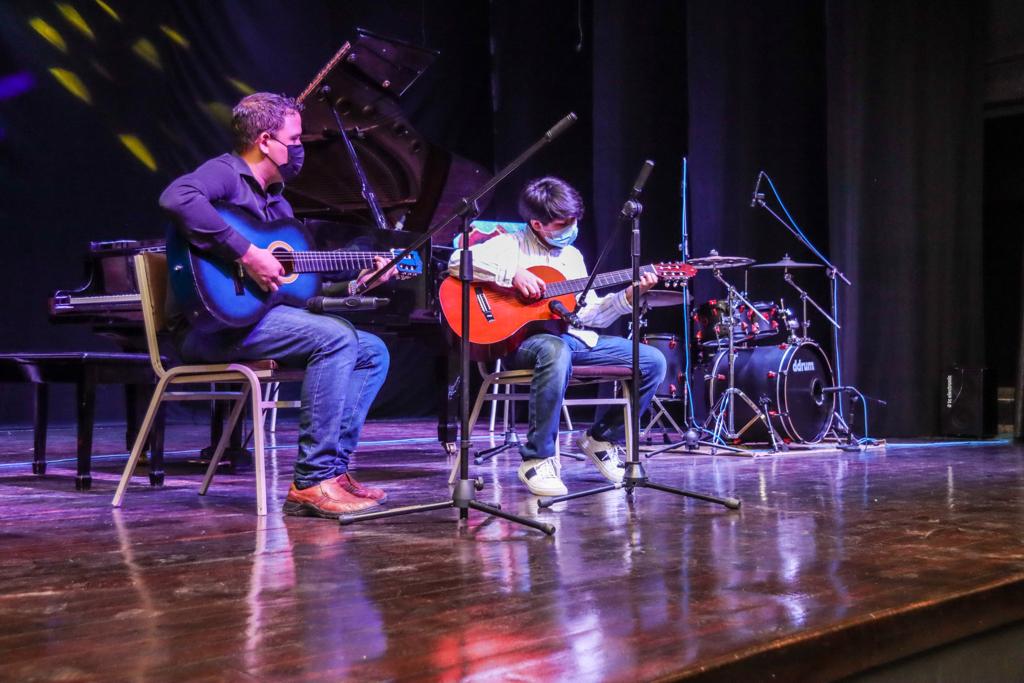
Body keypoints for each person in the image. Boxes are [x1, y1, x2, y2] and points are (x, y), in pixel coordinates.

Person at [159, 92, 394, 518]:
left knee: (372, 351)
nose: (302, 149)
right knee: (337, 338)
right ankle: (309, 480)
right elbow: (177, 197)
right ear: (266, 140)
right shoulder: (226, 173)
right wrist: (247, 253)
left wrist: (359, 280)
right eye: (296, 138)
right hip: (211, 330)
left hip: (257, 320)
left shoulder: (279, 204)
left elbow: (297, 289)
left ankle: (333, 472)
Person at [450, 177, 667, 496]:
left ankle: (602, 438)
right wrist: (512, 274)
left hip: (571, 340)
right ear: (537, 224)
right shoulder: (508, 245)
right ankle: (536, 460)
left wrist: (628, 297)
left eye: (575, 221)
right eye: (563, 223)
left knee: (651, 360)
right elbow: (457, 261)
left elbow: (588, 315)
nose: (572, 228)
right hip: (521, 344)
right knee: (554, 351)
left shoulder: (572, 257)